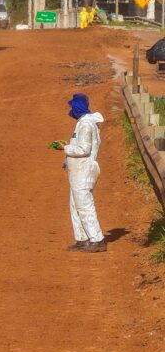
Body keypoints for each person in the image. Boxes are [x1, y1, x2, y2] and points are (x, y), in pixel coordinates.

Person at [54, 93, 106, 252]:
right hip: (79, 170)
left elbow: (84, 149)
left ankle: (97, 239)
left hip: (84, 170)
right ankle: (83, 238)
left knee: (84, 205)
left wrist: (65, 148)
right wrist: (67, 158)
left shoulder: (85, 124)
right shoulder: (85, 122)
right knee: (76, 205)